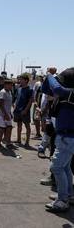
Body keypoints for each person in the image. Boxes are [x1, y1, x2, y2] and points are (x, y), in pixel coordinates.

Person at [42, 67, 74, 213]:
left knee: (56, 167)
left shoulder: (70, 93)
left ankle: (62, 200)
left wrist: (50, 75)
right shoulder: (67, 94)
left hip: (69, 137)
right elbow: (47, 89)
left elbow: (56, 88)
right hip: (65, 136)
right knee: (65, 167)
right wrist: (48, 78)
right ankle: (68, 195)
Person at [13, 73, 33, 147]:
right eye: (19, 79)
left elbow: (31, 101)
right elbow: (17, 99)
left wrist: (25, 110)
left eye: (21, 79)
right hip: (17, 110)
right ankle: (18, 139)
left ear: (26, 80)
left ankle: (27, 142)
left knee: (27, 126)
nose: (19, 80)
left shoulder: (30, 89)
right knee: (19, 125)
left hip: (25, 111)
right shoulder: (19, 88)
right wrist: (14, 106)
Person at [0, 78, 14, 149]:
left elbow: (8, 104)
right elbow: (1, 104)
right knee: (2, 129)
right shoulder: (3, 92)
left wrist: (9, 113)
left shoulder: (9, 92)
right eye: (10, 85)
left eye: (11, 85)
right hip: (2, 114)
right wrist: (5, 114)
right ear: (6, 85)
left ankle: (8, 142)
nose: (11, 86)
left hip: (7, 113)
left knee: (9, 128)